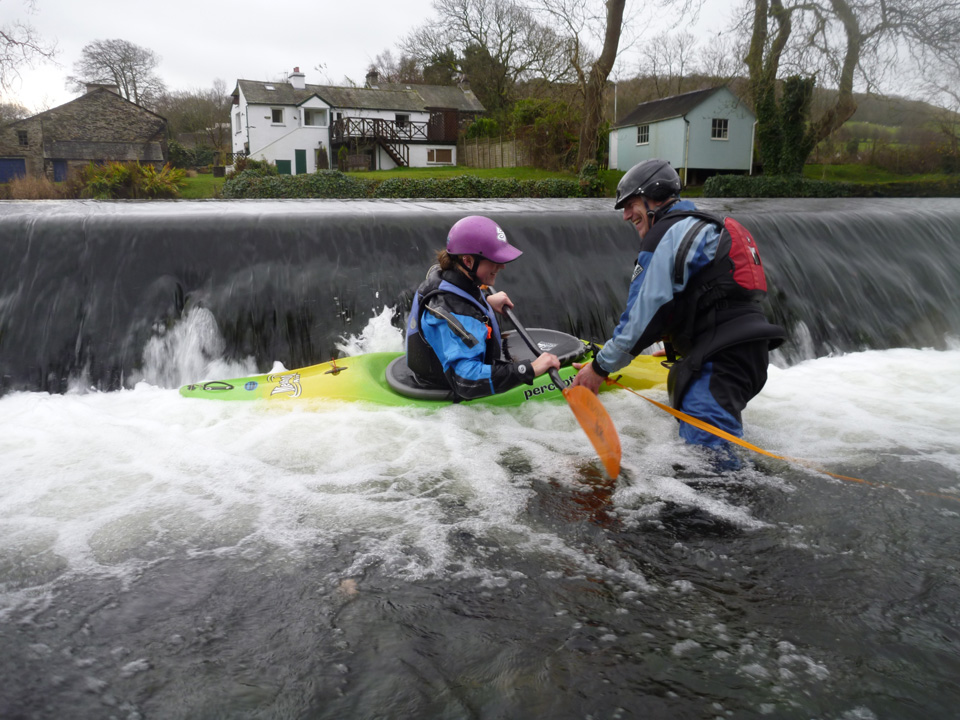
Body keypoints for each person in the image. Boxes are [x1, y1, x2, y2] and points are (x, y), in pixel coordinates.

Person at [571, 159, 785, 465]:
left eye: (631, 204)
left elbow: (643, 314)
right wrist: (679, 346)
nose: (626, 215)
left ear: (654, 196)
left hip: (720, 360)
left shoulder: (667, 233)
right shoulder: (700, 225)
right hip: (744, 354)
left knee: (707, 467)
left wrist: (600, 368)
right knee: (707, 459)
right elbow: (703, 298)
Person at [405, 215, 560, 400]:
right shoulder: (451, 310)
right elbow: (466, 381)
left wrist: (485, 301)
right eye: (494, 260)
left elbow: (460, 301)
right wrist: (529, 369)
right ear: (468, 261)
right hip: (448, 394)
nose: (502, 266)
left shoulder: (445, 274)